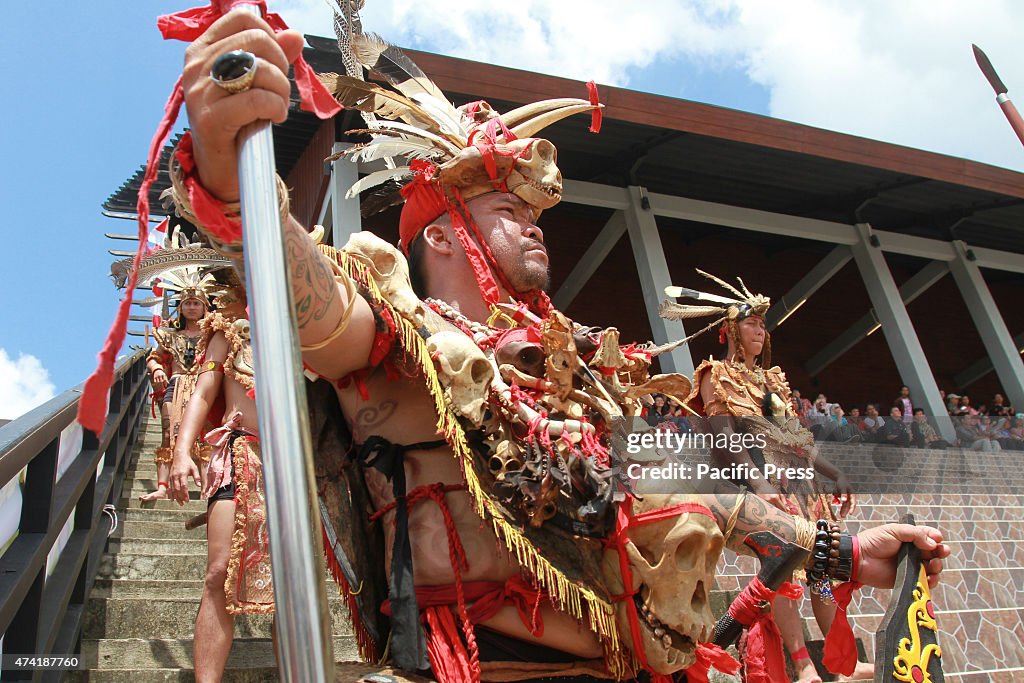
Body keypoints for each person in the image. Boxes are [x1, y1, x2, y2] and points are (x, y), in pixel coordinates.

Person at [168, 10, 950, 681]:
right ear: (441, 235)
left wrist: (840, 550)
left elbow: (703, 490)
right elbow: (310, 301)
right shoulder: (398, 342)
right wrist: (229, 186)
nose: (534, 223)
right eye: (507, 209)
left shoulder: (580, 369)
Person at [667, 280, 872, 682]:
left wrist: (835, 474)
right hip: (767, 483)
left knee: (823, 572)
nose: (761, 331)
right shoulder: (715, 374)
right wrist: (759, 484)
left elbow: (799, 439)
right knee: (786, 570)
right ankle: (803, 662)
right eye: (753, 324)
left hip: (804, 486)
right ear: (730, 330)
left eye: (764, 325)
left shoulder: (773, 382)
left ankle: (840, 658)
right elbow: (724, 438)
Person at [167, 286, 272, 682]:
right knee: (218, 571)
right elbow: (203, 392)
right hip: (243, 451)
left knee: (298, 579)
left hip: (298, 461)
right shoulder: (225, 327)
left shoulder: (304, 317)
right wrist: (181, 452)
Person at [140, 277, 213, 502]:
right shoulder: (169, 336)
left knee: (206, 436)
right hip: (177, 384)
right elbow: (154, 358)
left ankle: (206, 489)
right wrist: (156, 370)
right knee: (167, 434)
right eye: (187, 303)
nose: (192, 307)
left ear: (204, 307)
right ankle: (163, 487)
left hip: (205, 386)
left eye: (196, 303)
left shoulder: (213, 334)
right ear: (180, 308)